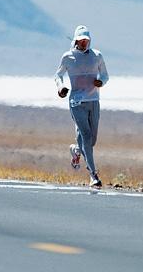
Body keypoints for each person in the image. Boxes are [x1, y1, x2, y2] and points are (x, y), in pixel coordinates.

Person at [55, 25, 109, 188]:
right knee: (85, 135)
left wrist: (101, 81)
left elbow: (105, 75)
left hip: (93, 101)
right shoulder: (68, 57)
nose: (84, 43)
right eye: (81, 40)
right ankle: (93, 175)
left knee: (91, 140)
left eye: (86, 40)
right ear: (75, 41)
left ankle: (77, 150)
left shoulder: (97, 56)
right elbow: (58, 75)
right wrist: (61, 88)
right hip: (77, 102)